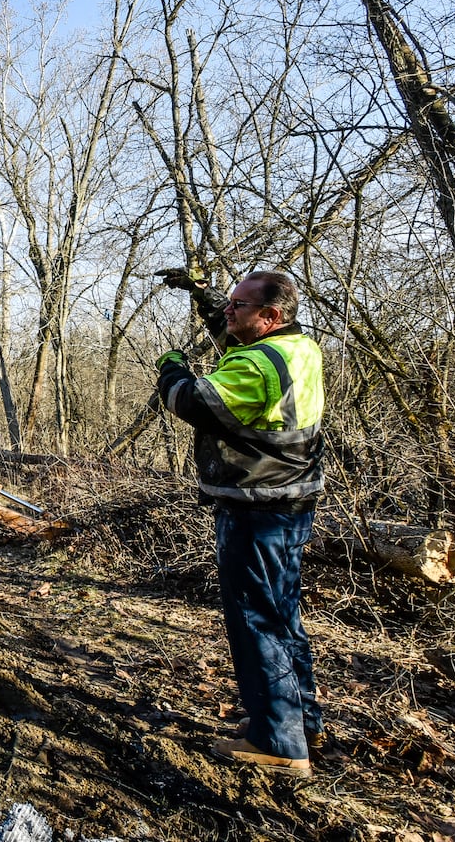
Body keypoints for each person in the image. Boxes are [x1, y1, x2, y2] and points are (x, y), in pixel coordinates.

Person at [155, 269, 325, 779]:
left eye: (238, 306)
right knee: (281, 616)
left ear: (270, 317)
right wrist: (204, 296)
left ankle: (278, 742)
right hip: (290, 501)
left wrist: (171, 369)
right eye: (227, 304)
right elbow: (235, 333)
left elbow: (193, 401)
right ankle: (299, 720)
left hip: (258, 509)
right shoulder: (298, 348)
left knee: (256, 621)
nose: (229, 313)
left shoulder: (255, 365)